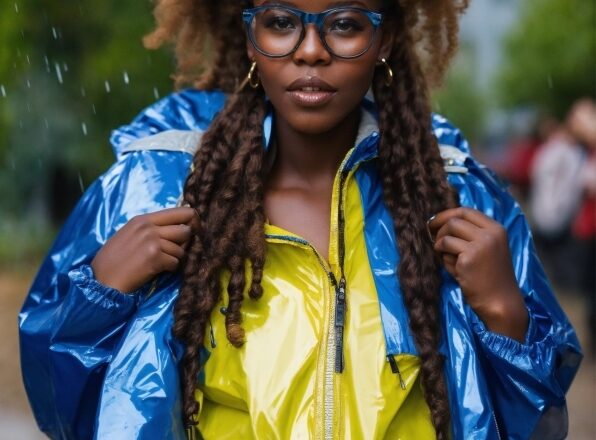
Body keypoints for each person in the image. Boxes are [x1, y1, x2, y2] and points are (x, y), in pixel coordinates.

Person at [18, 1, 582, 439]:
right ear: (250, 38)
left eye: (344, 24)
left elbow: (537, 426)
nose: (311, 51)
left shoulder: (456, 197)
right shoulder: (151, 190)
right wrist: (98, 300)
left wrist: (506, 316)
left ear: (383, 39)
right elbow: (62, 409)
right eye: (282, 21)